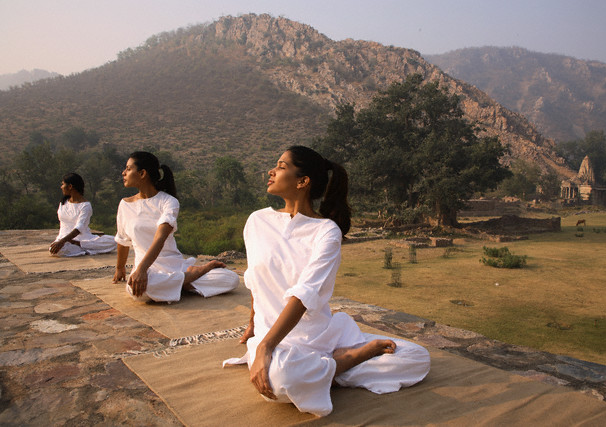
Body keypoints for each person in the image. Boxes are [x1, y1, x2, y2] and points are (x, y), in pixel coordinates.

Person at [224, 146, 430, 417]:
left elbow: (304, 295)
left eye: (281, 166)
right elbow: (255, 280)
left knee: (417, 357)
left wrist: (264, 348)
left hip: (317, 335)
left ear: (302, 181)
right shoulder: (257, 221)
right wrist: (254, 327)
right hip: (276, 339)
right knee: (279, 382)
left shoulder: (325, 232)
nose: (271, 171)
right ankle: (342, 363)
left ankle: (330, 365)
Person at [112, 151, 239, 302]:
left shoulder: (168, 201)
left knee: (230, 279)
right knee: (136, 290)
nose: (123, 172)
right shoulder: (125, 205)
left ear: (142, 173)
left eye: (128, 168)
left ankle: (180, 280)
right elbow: (122, 240)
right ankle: (186, 280)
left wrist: (141, 269)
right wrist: (120, 268)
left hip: (172, 265)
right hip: (149, 270)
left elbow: (160, 237)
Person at [49, 173, 117, 257]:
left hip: (82, 238)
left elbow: (79, 228)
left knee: (114, 241)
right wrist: (61, 241)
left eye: (63, 184)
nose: (61, 187)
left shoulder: (85, 205)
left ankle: (80, 245)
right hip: (64, 239)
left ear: (70, 186)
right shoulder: (63, 203)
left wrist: (63, 241)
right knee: (58, 250)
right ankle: (85, 248)